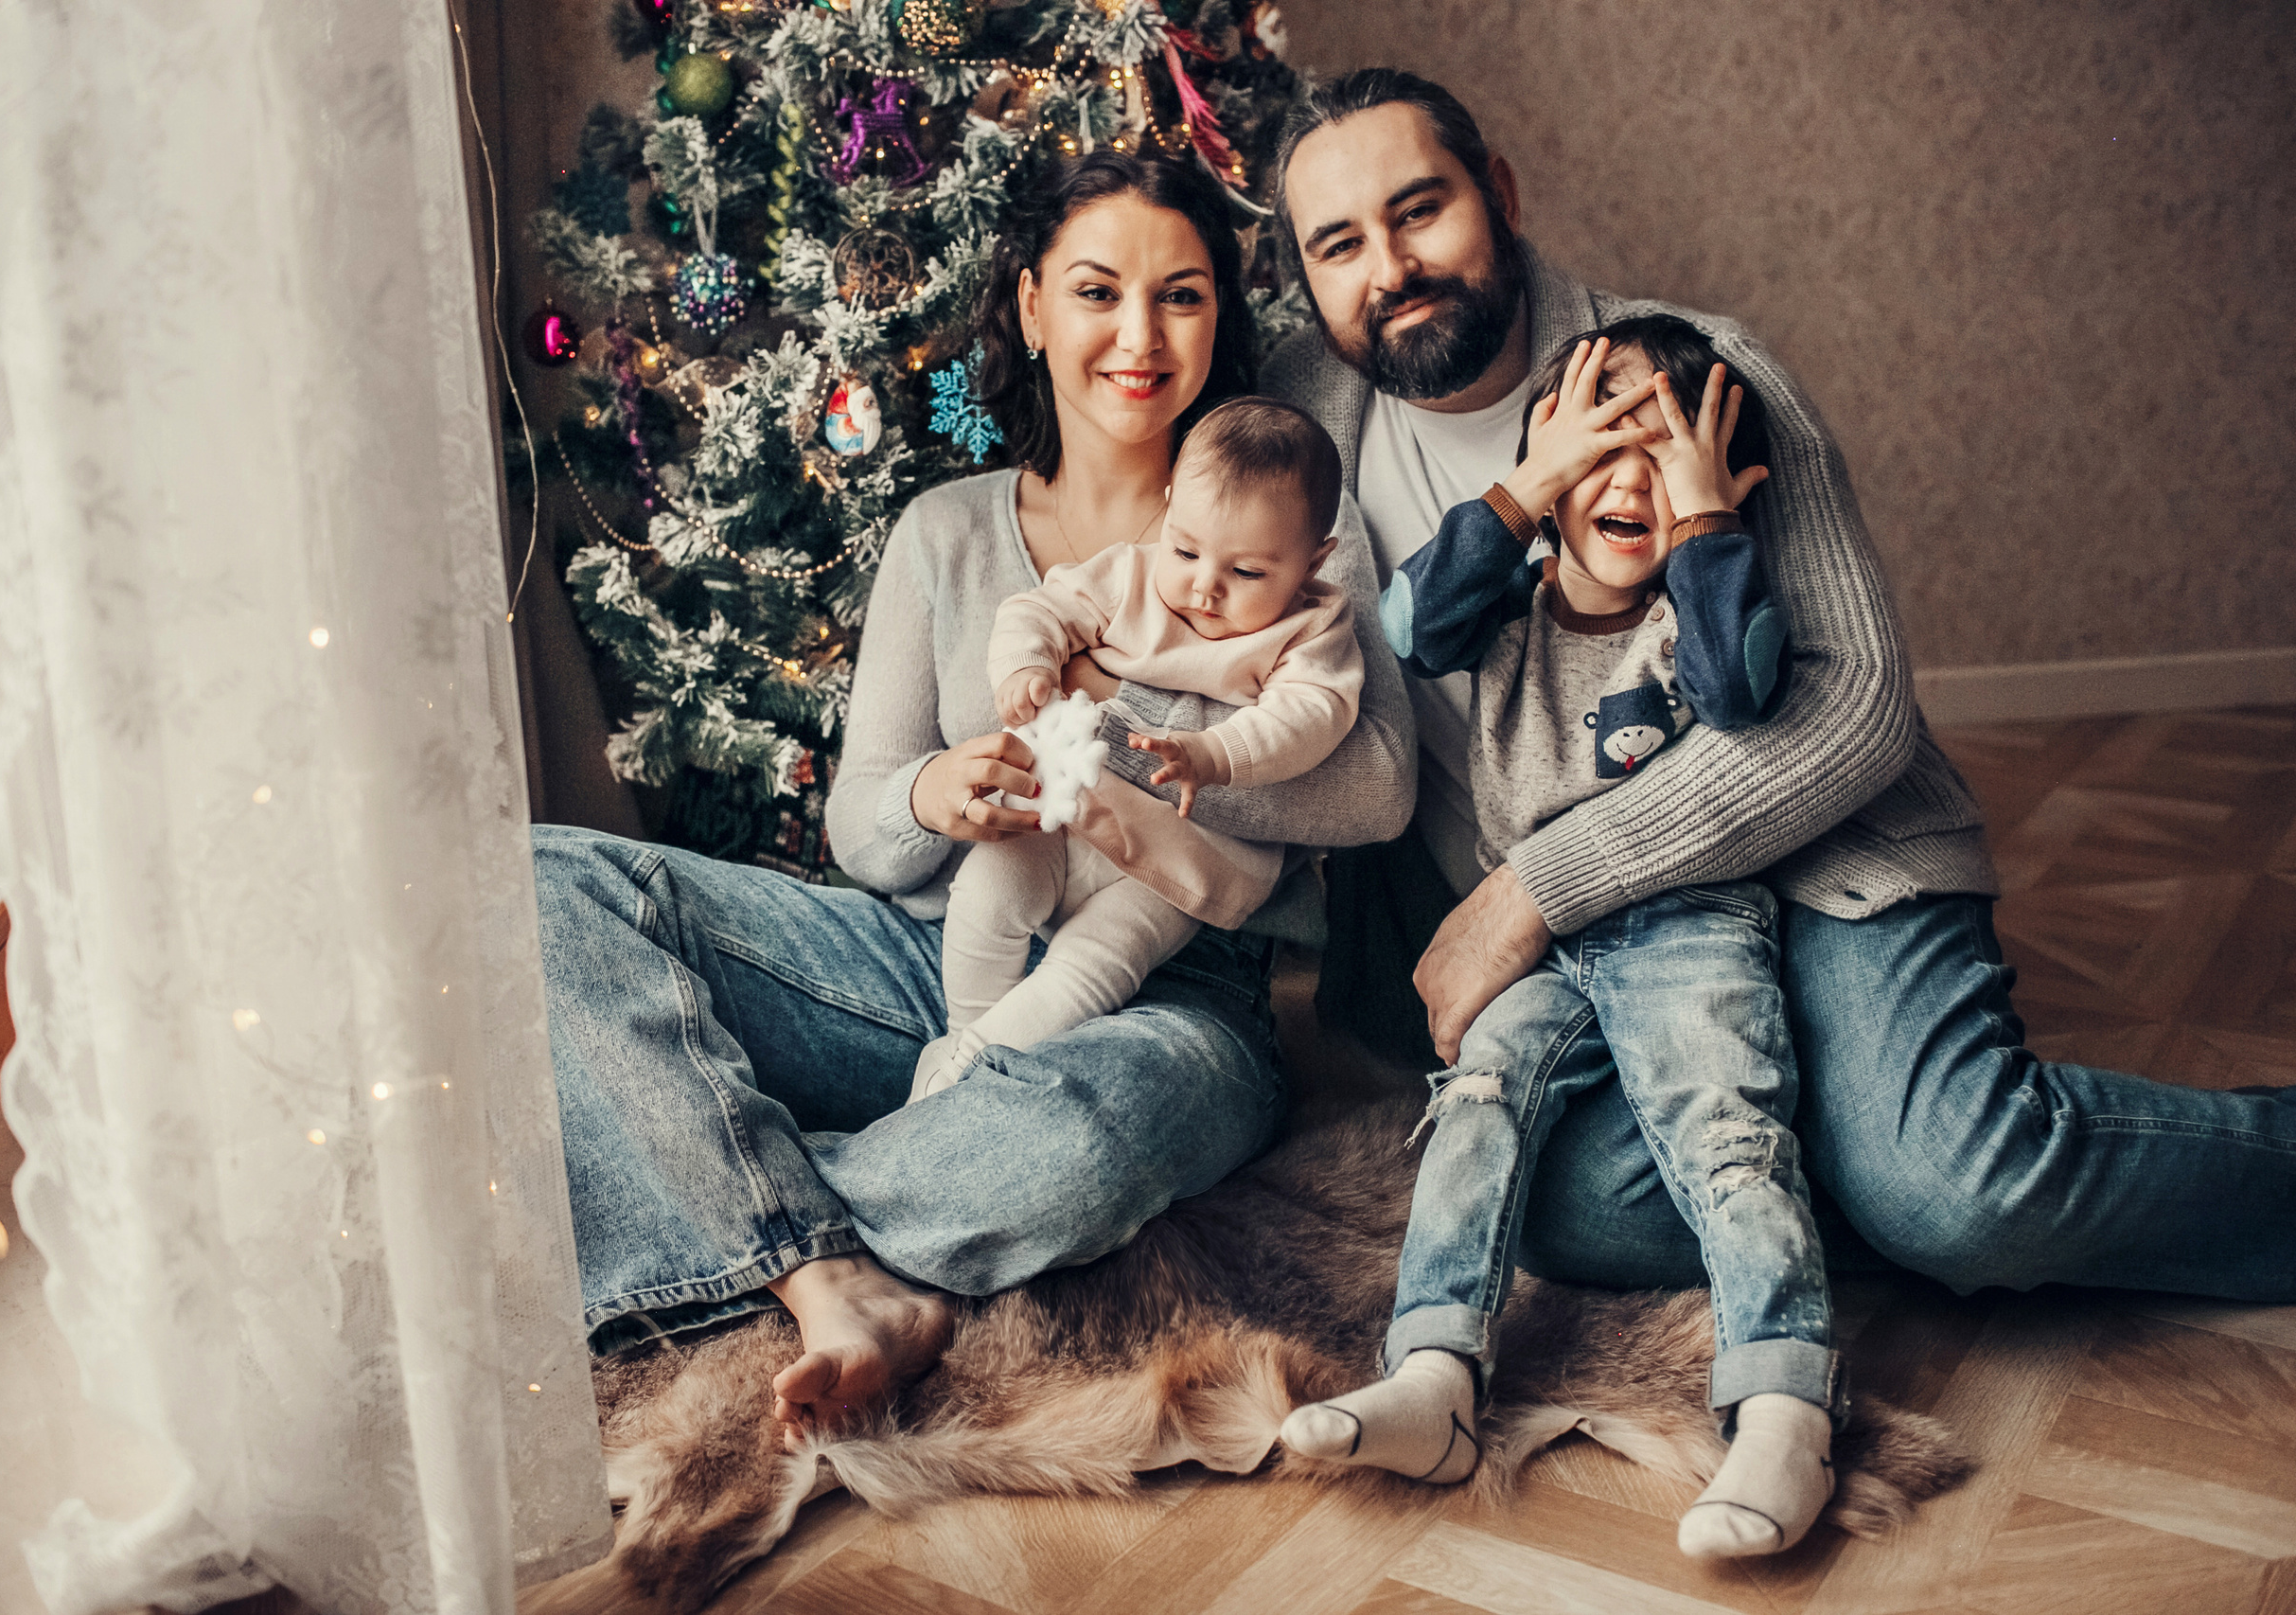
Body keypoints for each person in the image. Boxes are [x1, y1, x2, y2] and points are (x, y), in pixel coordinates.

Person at [1263, 67, 2295, 1305]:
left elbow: (1855, 702)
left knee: (1956, 1190)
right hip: (1624, 948)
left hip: (1819, 858)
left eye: (1420, 209)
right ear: (1303, 272)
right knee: (1573, 1206)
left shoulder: (1697, 372)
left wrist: (1536, 886)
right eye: (1339, 243)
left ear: (1500, 193)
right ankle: (1868, 1154)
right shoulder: (1293, 421)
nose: (1390, 267)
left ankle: (1931, 1169)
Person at [532, 150, 1415, 1432]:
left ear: (1220, 316)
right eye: (1097, 291)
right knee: (547, 882)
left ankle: (726, 1201)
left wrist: (1124, 748)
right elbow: (861, 827)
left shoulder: (1301, 532)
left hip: (1176, 992)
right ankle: (829, 1271)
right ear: (1031, 306)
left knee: (1079, 1143)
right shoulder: (946, 532)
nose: (1138, 335)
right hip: (924, 951)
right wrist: (935, 793)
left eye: (1180, 296)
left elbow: (1377, 788)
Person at [1286, 319, 1844, 1560]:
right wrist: (1527, 484)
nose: (1630, 475)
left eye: (1664, 448)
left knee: (1724, 1128)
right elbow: (1408, 623)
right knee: (1475, 1098)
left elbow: (1740, 688)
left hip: (1686, 920)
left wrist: (1706, 522)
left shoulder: (1701, 610)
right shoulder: (1504, 606)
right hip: (1535, 944)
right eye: (1602, 441)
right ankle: (1435, 1374)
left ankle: (1784, 1404)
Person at [920, 397, 1360, 1100]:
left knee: (1096, 963)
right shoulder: (1128, 576)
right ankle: (963, 1042)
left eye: (1248, 573)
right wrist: (1027, 666)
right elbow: (1038, 609)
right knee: (987, 890)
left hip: (1184, 858)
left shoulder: (1311, 629)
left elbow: (1313, 714)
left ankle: (971, 1067)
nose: (1205, 586)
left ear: (1314, 561)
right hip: (1065, 810)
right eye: (1185, 551)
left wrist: (1215, 754)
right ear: (1168, 508)